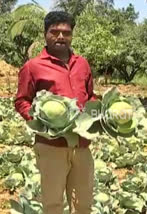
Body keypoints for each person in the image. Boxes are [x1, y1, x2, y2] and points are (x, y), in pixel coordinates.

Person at [15, 11, 96, 214]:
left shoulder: (83, 64)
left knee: (83, 204)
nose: (61, 36)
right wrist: (41, 122)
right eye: (55, 32)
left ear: (71, 35)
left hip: (82, 144)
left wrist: (97, 114)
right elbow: (22, 101)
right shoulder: (33, 67)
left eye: (66, 33)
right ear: (45, 34)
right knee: (53, 204)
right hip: (51, 146)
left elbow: (91, 96)